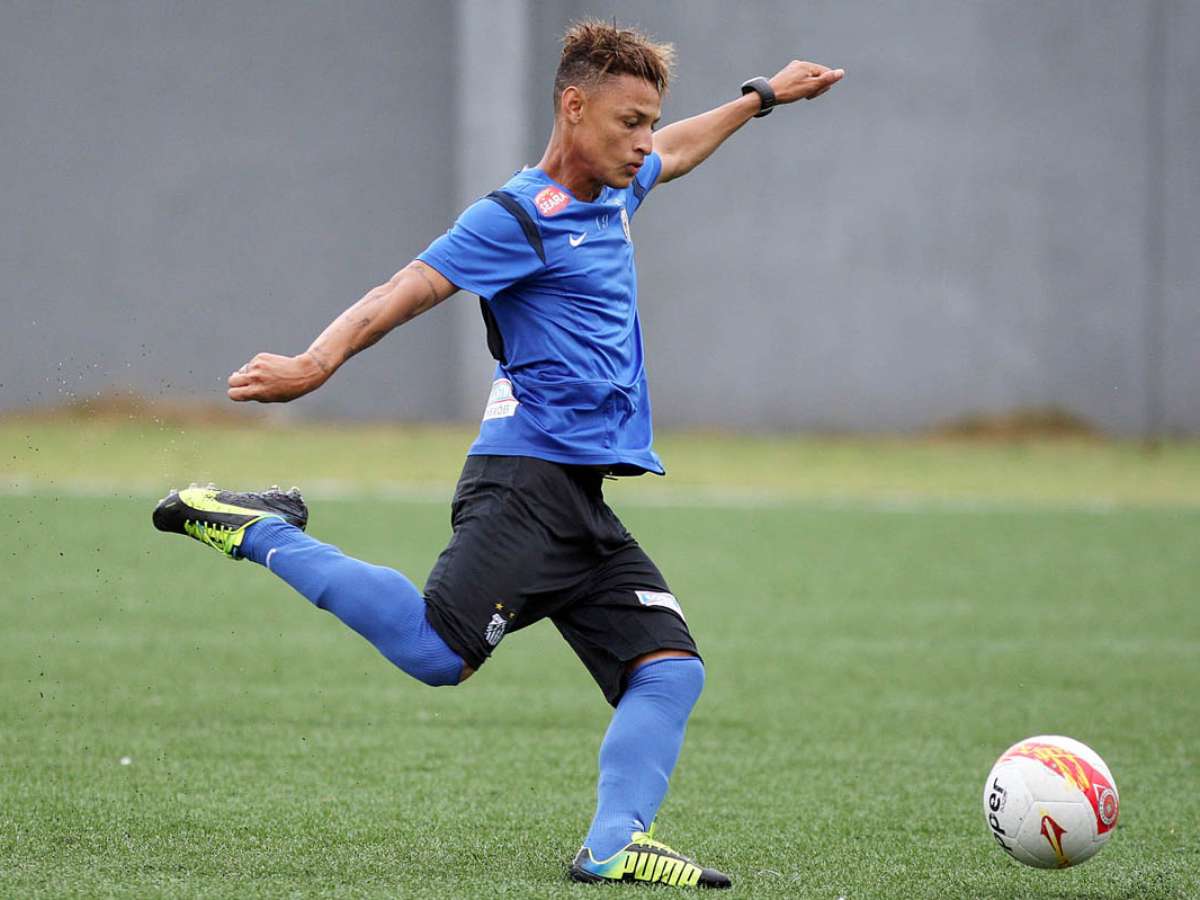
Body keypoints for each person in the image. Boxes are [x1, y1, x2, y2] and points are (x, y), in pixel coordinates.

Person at [153, 20, 842, 889]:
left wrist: (762, 96)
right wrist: (314, 363)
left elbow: (679, 149)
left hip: (577, 499)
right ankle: (253, 529)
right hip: (523, 483)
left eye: (648, 123)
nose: (644, 141)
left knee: (668, 669)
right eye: (629, 122)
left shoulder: (617, 190)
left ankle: (613, 844)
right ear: (573, 106)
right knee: (437, 654)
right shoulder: (516, 216)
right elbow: (406, 288)